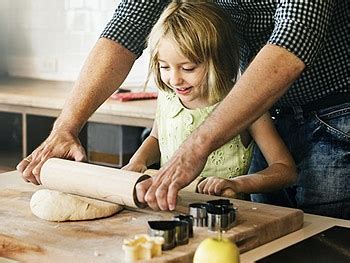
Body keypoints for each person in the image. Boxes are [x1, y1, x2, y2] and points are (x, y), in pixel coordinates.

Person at [17, 1, 349, 219]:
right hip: (257, 107)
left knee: (323, 245)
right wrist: (66, 125)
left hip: (334, 112)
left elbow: (296, 34)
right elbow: (127, 25)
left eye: (187, 67)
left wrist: (197, 144)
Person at [121, 2, 296, 201]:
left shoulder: (246, 105)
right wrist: (138, 161)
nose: (175, 79)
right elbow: (156, 139)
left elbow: (285, 170)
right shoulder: (168, 97)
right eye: (164, 67)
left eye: (187, 68)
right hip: (171, 208)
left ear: (219, 60)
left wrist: (237, 183)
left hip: (226, 217)